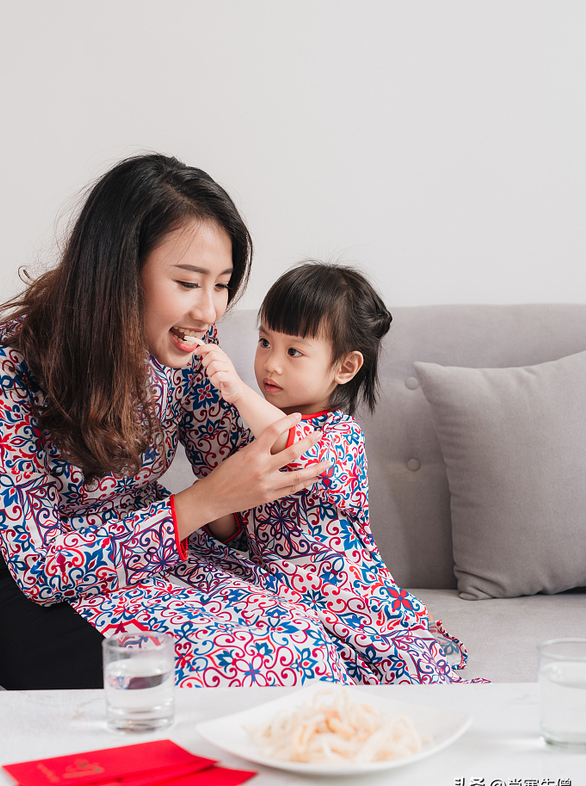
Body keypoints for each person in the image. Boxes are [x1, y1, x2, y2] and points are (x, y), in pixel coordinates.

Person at [0, 153, 341, 690]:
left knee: (305, 651)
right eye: (189, 283)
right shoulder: (8, 360)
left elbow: (246, 487)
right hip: (32, 592)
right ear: (119, 271)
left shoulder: (190, 349)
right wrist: (205, 502)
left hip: (155, 559)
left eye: (223, 284)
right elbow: (40, 567)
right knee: (223, 671)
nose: (211, 312)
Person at [194, 262, 468, 683]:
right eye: (265, 341)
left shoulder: (339, 434)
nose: (271, 364)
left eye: (294, 351)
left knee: (388, 665)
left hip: (341, 591)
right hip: (274, 583)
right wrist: (214, 501)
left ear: (344, 367)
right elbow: (238, 526)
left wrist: (237, 391)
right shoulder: (254, 432)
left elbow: (298, 449)